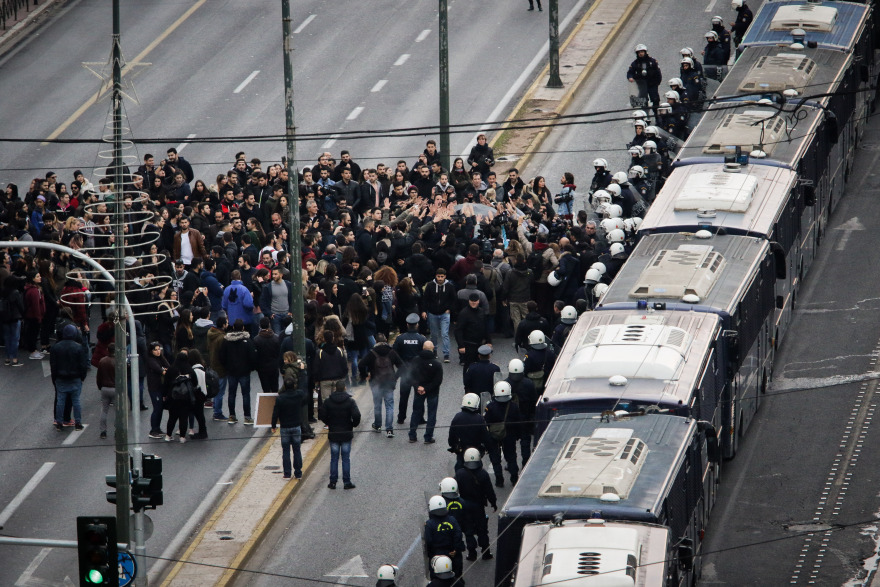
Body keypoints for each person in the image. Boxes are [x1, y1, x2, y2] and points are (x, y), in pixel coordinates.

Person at [455, 447, 496, 561]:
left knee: (468, 531)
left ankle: (472, 553)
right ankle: (486, 552)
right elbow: (489, 490)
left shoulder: (460, 473)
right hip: (479, 506)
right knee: (482, 529)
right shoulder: (483, 474)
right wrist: (493, 503)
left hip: (464, 506)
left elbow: (454, 490)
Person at [319, 380, 361, 489]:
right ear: (345, 388)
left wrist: (329, 423)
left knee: (334, 458)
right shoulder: (350, 402)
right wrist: (353, 424)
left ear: (335, 389)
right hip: (346, 432)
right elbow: (357, 415)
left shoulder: (328, 401)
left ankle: (333, 482)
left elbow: (322, 414)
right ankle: (346, 482)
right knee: (345, 458)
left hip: (334, 433)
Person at [358, 333, 402, 437]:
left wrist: (364, 375)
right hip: (389, 383)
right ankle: (389, 429)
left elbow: (361, 364)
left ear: (376, 341)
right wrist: (395, 377)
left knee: (377, 405)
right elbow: (402, 366)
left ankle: (377, 425)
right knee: (389, 406)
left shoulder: (372, 353)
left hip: (376, 383)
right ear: (386, 340)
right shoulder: (391, 352)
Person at [50, 324, 88, 431]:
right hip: (75, 378)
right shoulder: (78, 347)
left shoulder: (56, 347)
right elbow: (83, 365)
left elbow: (53, 365)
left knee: (60, 401)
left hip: (60, 378)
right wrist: (82, 377)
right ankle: (78, 422)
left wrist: (54, 379)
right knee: (76, 401)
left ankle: (59, 422)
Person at [484, 381, 522, 487]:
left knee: (495, 458)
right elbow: (519, 422)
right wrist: (517, 435)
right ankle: (514, 478)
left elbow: (486, 421)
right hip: (510, 435)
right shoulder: (514, 406)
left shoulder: (490, 406)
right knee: (511, 456)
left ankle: (499, 480)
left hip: (494, 435)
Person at [220, 319, 257, 425]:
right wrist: (251, 367)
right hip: (244, 371)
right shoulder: (247, 341)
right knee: (245, 394)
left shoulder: (226, 341)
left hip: (231, 371)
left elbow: (222, 356)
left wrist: (226, 366)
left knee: (231, 394)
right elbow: (253, 356)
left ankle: (232, 416)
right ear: (243, 328)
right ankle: (247, 417)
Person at [392, 313, 427, 424]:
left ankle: (401, 417)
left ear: (407, 324)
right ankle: (420, 418)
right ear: (416, 325)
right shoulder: (422, 339)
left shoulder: (400, 338)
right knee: (419, 396)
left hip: (405, 371)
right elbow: (425, 355)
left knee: (404, 397)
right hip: (418, 373)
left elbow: (394, 354)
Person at [271, 374, 306, 479]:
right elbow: (302, 390)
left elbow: (275, 413)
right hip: (296, 425)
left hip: (285, 427)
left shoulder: (280, 399)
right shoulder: (299, 395)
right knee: (297, 450)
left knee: (285, 450)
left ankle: (287, 473)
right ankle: (298, 472)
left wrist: (273, 426)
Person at [423, 496, 466, 583]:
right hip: (453, 552)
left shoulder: (429, 524)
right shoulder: (452, 519)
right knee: (456, 575)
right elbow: (458, 534)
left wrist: (431, 554)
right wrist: (455, 549)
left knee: (437, 579)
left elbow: (429, 541)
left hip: (438, 555)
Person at [409, 340, 443, 444]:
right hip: (432, 391)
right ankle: (428, 437)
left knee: (416, 412)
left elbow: (411, 376)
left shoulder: (415, 360)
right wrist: (427, 388)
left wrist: (418, 387)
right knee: (431, 414)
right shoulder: (436, 363)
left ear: (423, 348)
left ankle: (412, 435)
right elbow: (438, 381)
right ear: (432, 348)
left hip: (418, 390)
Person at [448, 393, 491, 471]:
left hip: (462, 448)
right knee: (478, 469)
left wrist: (453, 445)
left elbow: (452, 434)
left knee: (459, 467)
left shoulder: (457, 417)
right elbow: (485, 435)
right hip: (476, 448)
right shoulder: (479, 419)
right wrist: (488, 447)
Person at [507, 359, 538, 465]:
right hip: (525, 417)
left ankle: (512, 466)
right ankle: (525, 463)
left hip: (511, 420)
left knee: (510, 445)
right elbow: (534, 400)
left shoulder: (506, 384)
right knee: (525, 442)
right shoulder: (528, 383)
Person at [422, 268, 457, 363]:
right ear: (436, 276)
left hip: (444, 313)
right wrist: (424, 310)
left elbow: (453, 299)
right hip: (432, 313)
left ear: (445, 276)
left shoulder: (449, 286)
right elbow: (425, 299)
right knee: (434, 334)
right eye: (438, 276)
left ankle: (446, 354)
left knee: (445, 334)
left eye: (442, 276)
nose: (440, 278)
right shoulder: (430, 286)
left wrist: (449, 309)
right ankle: (434, 351)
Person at [164, 351, 198, 443]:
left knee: (172, 417)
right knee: (184, 417)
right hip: (185, 397)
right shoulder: (189, 369)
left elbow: (166, 383)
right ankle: (182, 437)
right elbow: (195, 382)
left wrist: (164, 395)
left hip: (173, 396)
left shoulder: (171, 369)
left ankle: (168, 435)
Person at [455, 293, 490, 373]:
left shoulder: (482, 312)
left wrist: (489, 341)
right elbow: (458, 330)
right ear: (469, 301)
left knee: (482, 366)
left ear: (478, 301)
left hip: (480, 344)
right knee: (468, 366)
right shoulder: (464, 313)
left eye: (475, 301)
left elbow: (485, 327)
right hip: (468, 345)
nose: (473, 303)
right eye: (472, 301)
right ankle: (467, 384)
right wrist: (461, 345)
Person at [626, 44, 662, 118]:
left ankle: (657, 116)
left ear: (645, 52)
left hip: (652, 84)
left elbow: (658, 72)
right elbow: (630, 72)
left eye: (642, 52)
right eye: (639, 52)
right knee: (642, 101)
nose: (640, 53)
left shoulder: (652, 61)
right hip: (642, 85)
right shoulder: (635, 63)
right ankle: (645, 116)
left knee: (655, 99)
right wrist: (630, 77)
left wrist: (657, 83)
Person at [314, 329, 348, 403]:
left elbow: (316, 368)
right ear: (333, 338)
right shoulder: (339, 350)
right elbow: (345, 366)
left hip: (325, 381)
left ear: (324, 339)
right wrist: (343, 377)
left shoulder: (320, 353)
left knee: (326, 402)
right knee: (338, 401)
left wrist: (317, 381)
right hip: (338, 380)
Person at [145, 342, 170, 438]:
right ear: (151, 351)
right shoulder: (151, 360)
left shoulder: (161, 358)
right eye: (155, 350)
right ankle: (153, 430)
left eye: (159, 349)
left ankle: (157, 428)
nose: (158, 351)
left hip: (160, 387)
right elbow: (160, 370)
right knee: (157, 408)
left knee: (159, 408)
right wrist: (165, 371)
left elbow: (168, 366)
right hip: (154, 387)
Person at [260, 267, 292, 335]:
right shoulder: (268, 287)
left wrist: (291, 311)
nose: (273, 276)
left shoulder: (288, 284)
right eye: (273, 274)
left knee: (288, 334)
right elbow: (263, 302)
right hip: (275, 316)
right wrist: (269, 314)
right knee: (277, 335)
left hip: (287, 315)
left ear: (281, 274)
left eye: (275, 274)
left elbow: (292, 299)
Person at [253, 317, 281, 393]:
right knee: (275, 387)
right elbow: (279, 352)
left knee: (265, 389)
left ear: (260, 326)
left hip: (262, 367)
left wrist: (256, 366)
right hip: (274, 366)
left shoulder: (256, 339)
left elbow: (255, 355)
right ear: (269, 324)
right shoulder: (276, 338)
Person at [96, 343, 117, 440]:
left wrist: (100, 387)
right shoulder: (118, 361)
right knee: (118, 411)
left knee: (104, 410)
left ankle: (103, 431)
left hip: (105, 388)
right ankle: (117, 431)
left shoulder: (102, 361)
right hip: (115, 388)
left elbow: (99, 376)